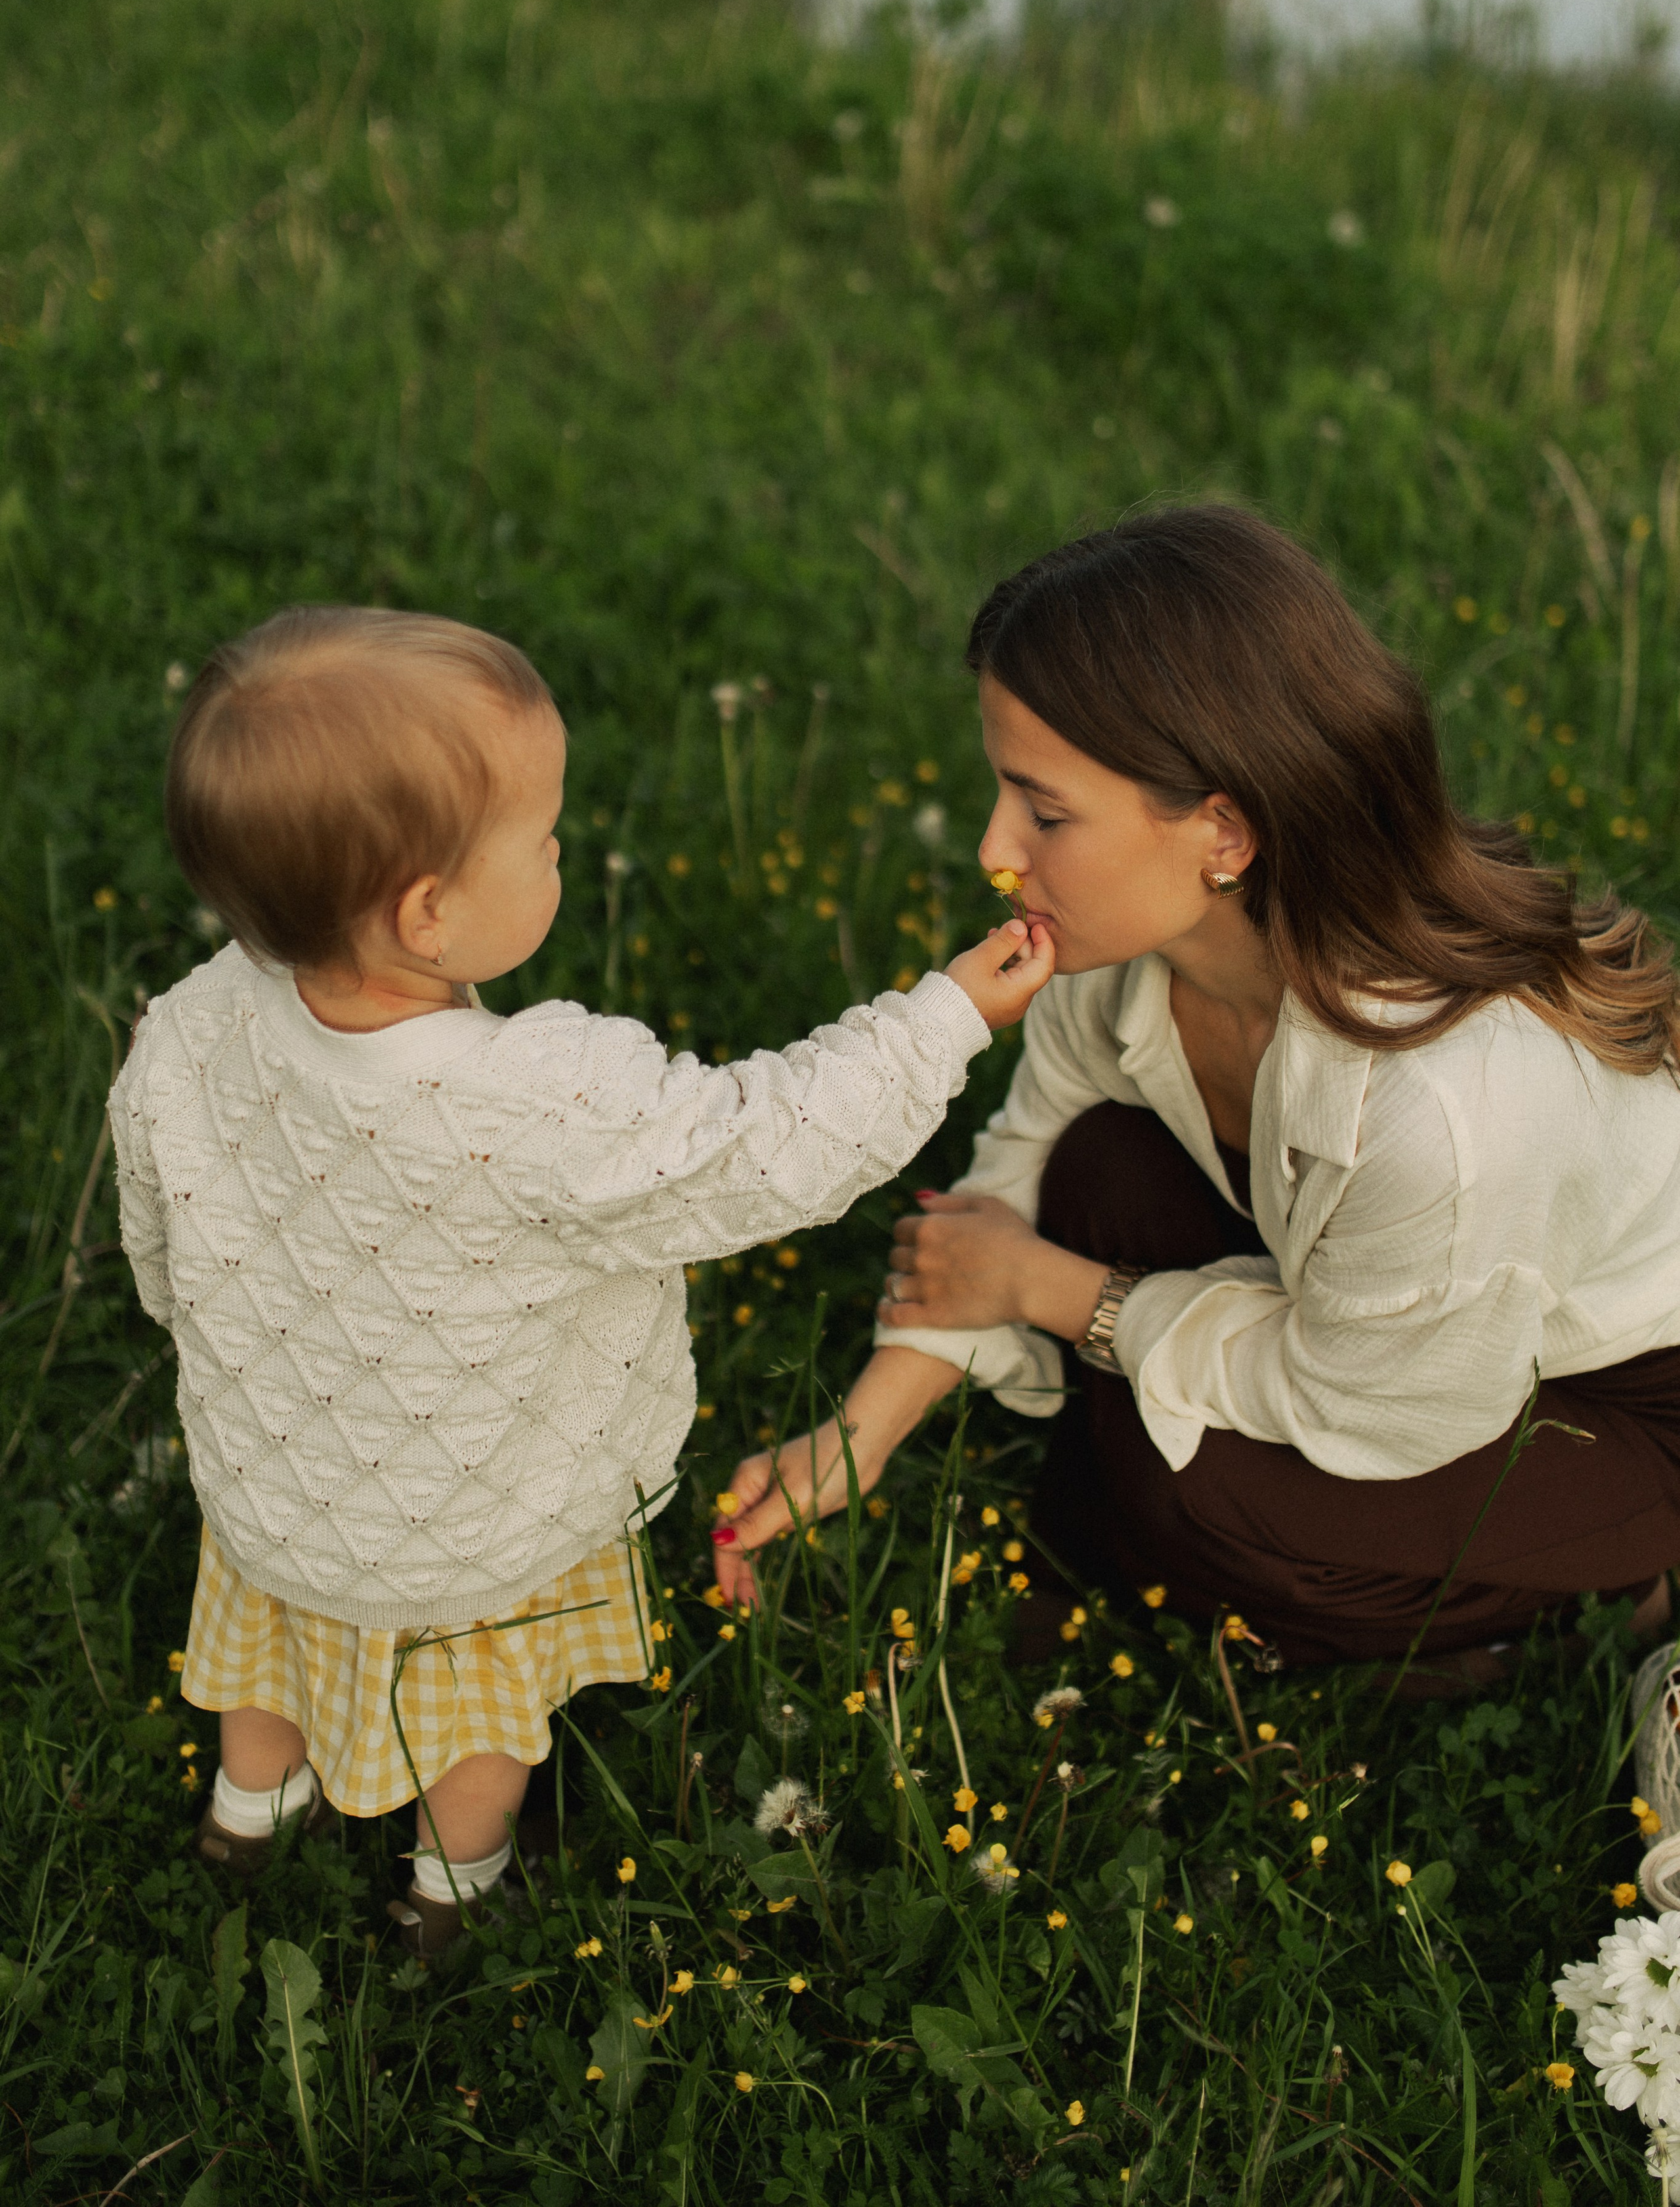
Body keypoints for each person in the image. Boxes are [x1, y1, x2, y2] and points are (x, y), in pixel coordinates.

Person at [111, 606, 1051, 1952]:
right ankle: (457, 1882)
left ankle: (249, 1807)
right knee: (479, 1717)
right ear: (427, 913)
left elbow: (160, 1229)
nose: (560, 847)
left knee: (270, 1652)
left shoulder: (192, 1026)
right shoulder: (537, 1105)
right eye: (542, 837)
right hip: (473, 1525)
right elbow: (757, 1149)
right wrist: (943, 1016)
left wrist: (211, 1336)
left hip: (280, 1484)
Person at [713, 506, 1680, 1696]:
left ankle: (1601, 1607)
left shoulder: (1440, 1104)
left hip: (1613, 1401)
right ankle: (1161, 1532)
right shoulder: (1128, 953)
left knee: (1200, 1499)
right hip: (1397, 1335)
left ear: (1223, 829)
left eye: (1045, 812)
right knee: (1094, 1166)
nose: (993, 852)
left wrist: (1058, 1294)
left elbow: (1365, 1413)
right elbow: (1018, 1172)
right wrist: (853, 1440)